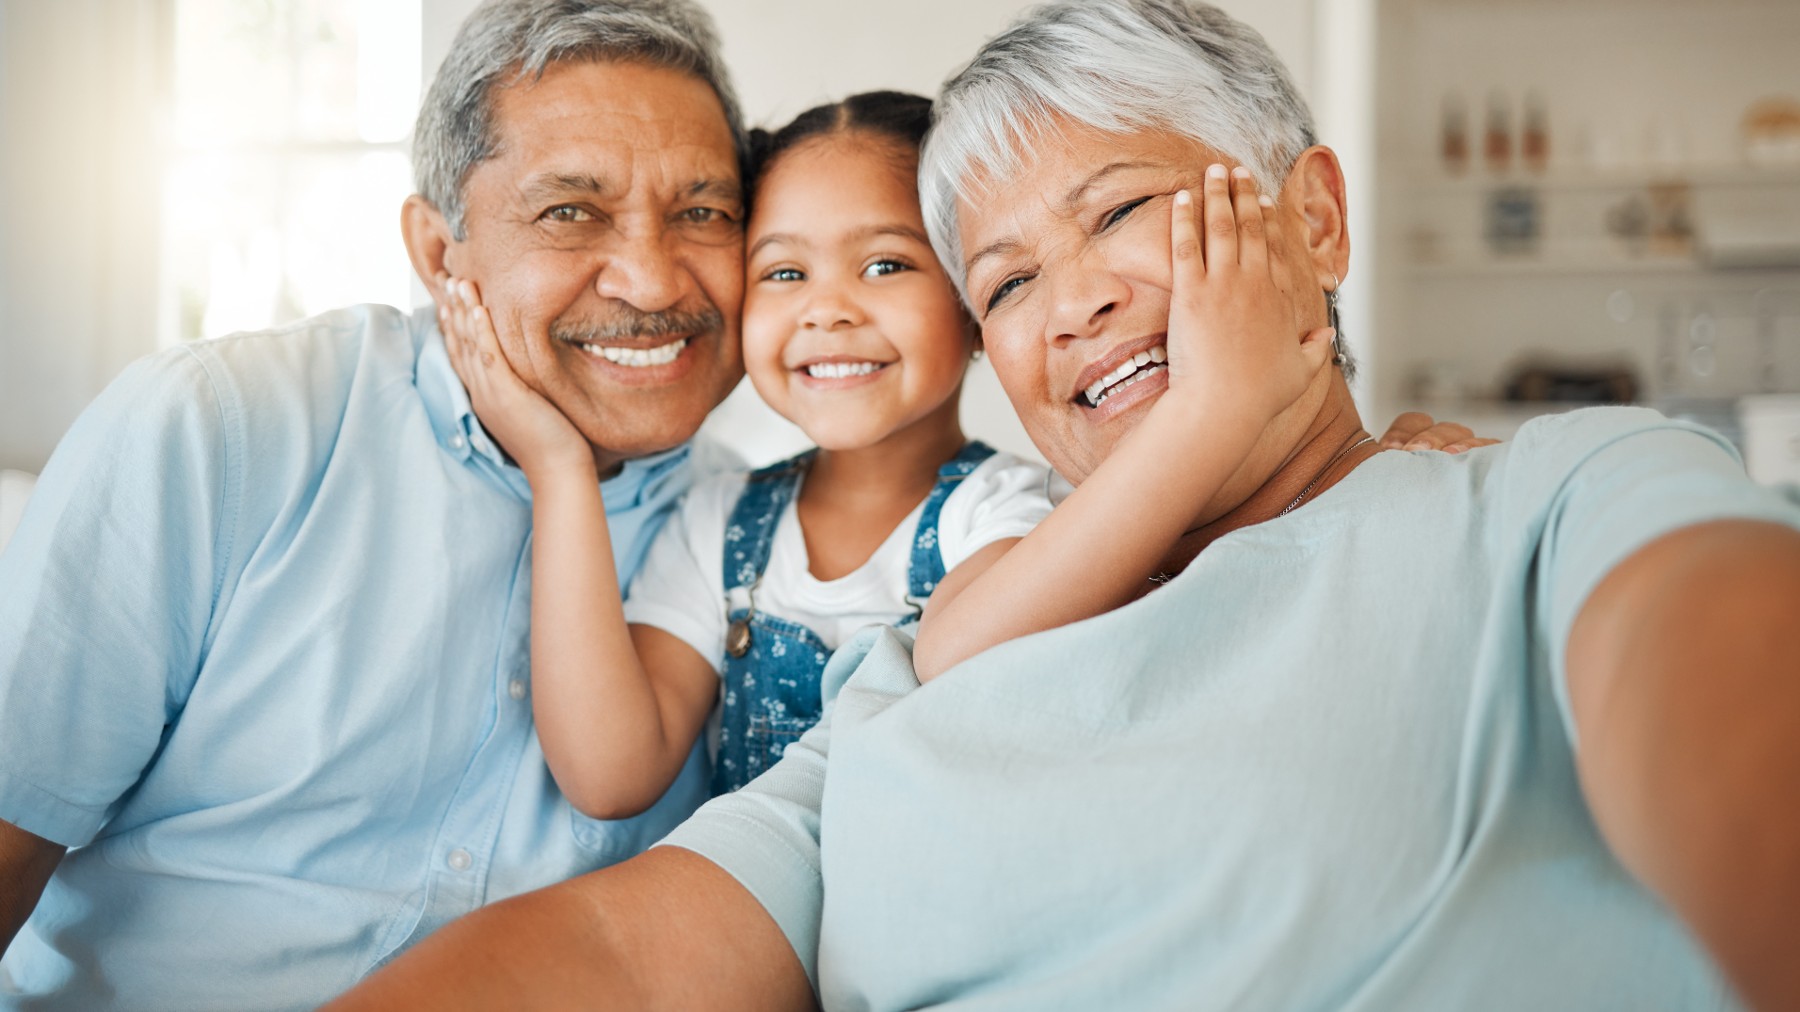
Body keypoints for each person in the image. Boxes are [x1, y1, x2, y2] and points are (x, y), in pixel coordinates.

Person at [328, 1, 1800, 1010]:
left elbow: (1726, 682)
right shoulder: (923, 654)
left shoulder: (1542, 500)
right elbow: (626, 955)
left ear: (1315, 221)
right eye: (1011, 281)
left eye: (1118, 213)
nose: (1074, 306)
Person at [0, 1, 751, 1007]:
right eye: (571, 210)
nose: (654, 277)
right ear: (441, 254)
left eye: (703, 211)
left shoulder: (753, 534)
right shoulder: (216, 429)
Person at [433, 91, 1058, 816]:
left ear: (975, 296)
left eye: (885, 265)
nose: (827, 309)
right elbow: (611, 775)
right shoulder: (721, 523)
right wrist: (559, 470)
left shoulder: (1014, 512)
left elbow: (964, 668)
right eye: (785, 274)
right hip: (753, 923)